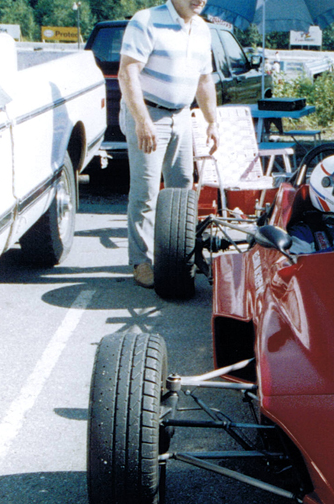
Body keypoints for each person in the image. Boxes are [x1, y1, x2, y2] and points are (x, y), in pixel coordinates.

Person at [118, 0, 219, 288]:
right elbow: (127, 73)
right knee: (146, 191)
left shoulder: (202, 29)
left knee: (182, 189)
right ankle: (141, 261)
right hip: (149, 113)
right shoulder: (146, 20)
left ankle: (176, 257)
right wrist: (142, 120)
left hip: (182, 116)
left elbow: (204, 80)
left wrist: (212, 122)